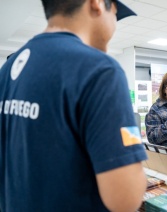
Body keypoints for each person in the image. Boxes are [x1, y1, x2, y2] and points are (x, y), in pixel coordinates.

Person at [0, 1, 148, 211]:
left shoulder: (8, 69)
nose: (115, 24)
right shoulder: (100, 70)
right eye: (116, 14)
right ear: (97, 4)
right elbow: (125, 199)